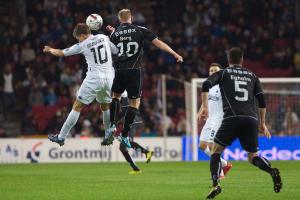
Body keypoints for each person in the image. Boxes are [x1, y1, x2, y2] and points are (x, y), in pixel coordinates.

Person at [198, 47, 282, 199]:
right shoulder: (253, 76)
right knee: (253, 157)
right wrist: (262, 124)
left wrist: (204, 107)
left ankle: (216, 184)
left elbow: (205, 85)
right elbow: (262, 102)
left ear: (228, 60)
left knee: (215, 151)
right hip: (251, 119)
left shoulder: (223, 73)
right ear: (242, 60)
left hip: (231, 118)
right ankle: (271, 171)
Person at [105, 9, 183, 148]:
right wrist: (174, 53)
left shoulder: (115, 33)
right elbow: (158, 43)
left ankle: (111, 125)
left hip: (119, 70)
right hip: (134, 71)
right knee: (134, 104)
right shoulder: (140, 29)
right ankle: (124, 135)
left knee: (115, 96)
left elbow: (114, 48)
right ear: (131, 17)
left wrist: (113, 32)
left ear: (119, 19)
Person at [44, 23, 118, 146]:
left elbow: (61, 53)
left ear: (83, 35)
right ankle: (107, 135)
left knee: (77, 106)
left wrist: (50, 49)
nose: (78, 40)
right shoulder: (104, 37)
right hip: (109, 77)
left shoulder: (83, 44)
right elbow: (115, 50)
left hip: (94, 77)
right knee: (105, 106)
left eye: (78, 37)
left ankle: (61, 137)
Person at [198, 63, 232, 179]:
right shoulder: (208, 86)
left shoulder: (224, 86)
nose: (213, 72)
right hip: (209, 119)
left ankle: (220, 173)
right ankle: (224, 164)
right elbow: (205, 102)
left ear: (220, 72)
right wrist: (200, 112)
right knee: (202, 145)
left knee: (213, 147)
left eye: (215, 70)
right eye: (211, 70)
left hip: (219, 119)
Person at [116, 92, 154, 174]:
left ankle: (146, 153)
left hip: (131, 121)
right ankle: (136, 167)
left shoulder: (123, 96)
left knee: (126, 143)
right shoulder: (120, 97)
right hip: (129, 121)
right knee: (123, 147)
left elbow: (126, 110)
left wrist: (115, 121)